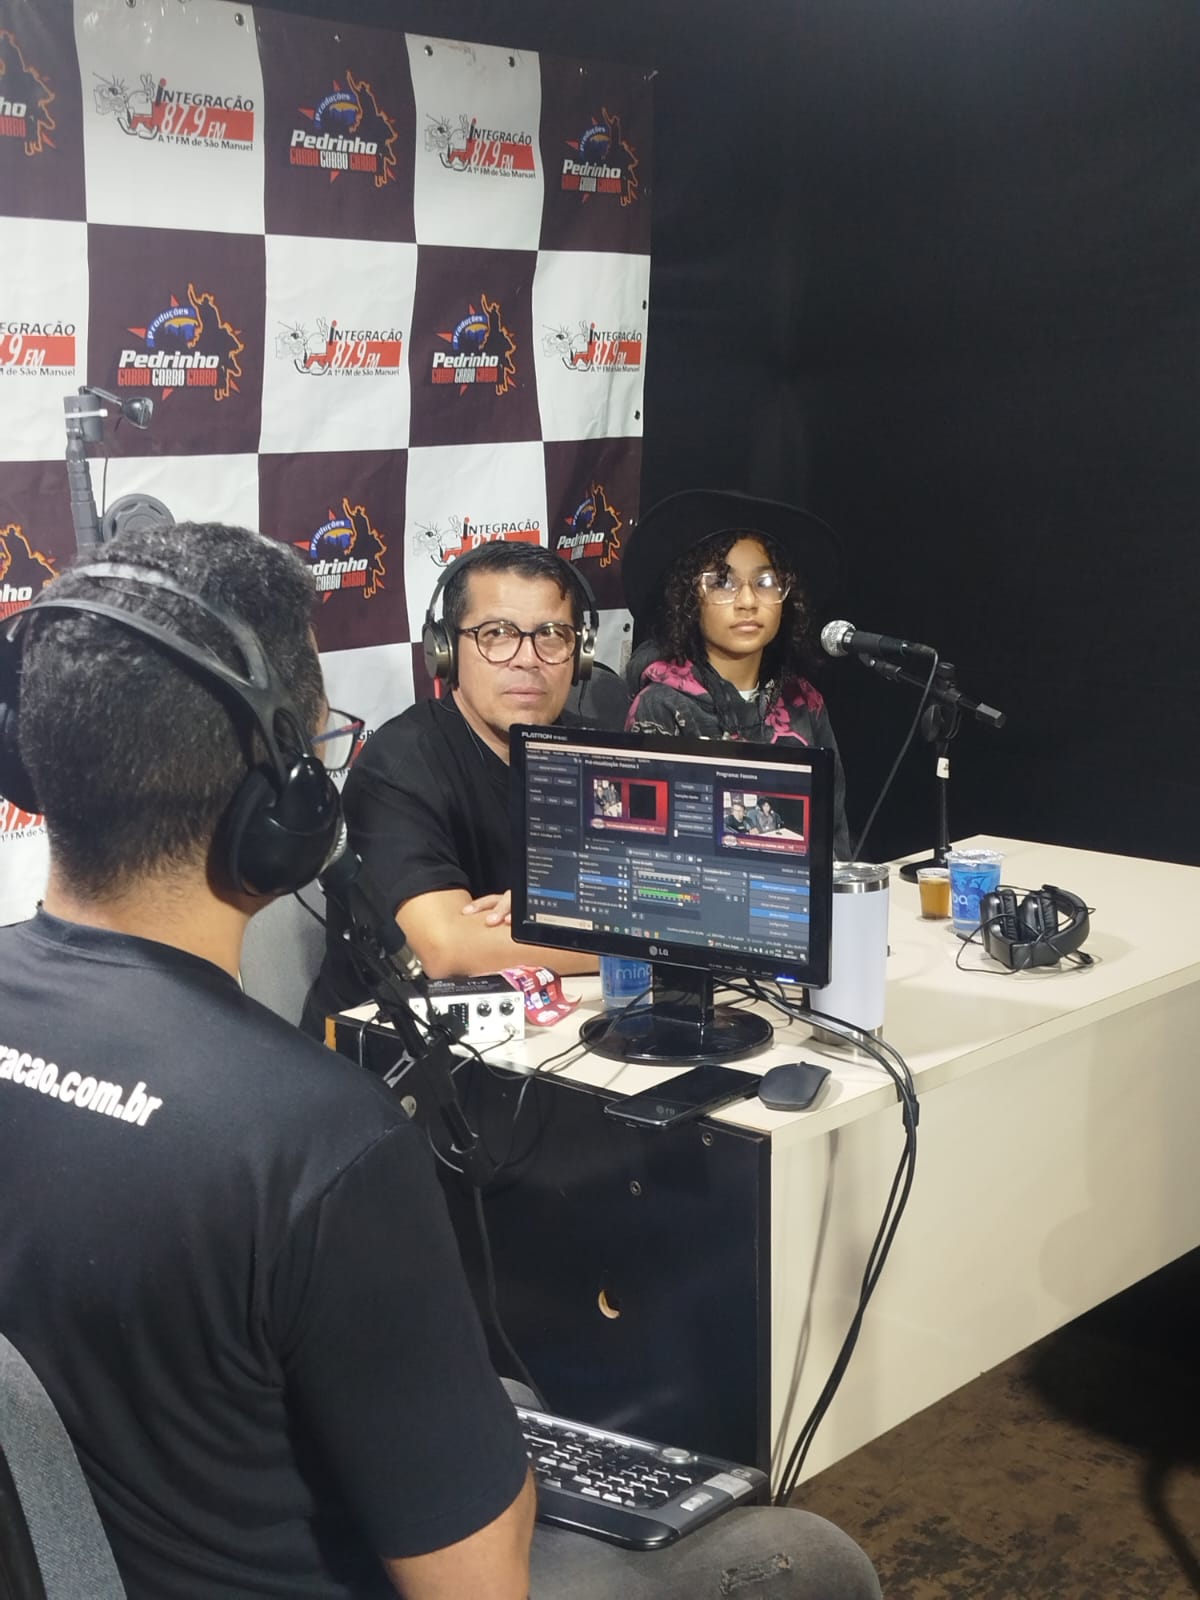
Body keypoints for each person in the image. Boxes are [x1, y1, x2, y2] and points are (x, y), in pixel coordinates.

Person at [0, 522, 884, 1600]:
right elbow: (474, 1583)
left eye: (551, 637)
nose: (529, 659)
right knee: (810, 1559)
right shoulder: (320, 1139)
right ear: (286, 803)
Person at [304, 541, 600, 1032]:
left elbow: (681, 898)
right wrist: (613, 931)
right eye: (497, 634)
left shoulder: (592, 752)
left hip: (548, 1032)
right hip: (390, 1050)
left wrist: (547, 917)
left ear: (580, 653)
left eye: (552, 635)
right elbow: (446, 949)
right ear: (445, 652)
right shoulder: (398, 765)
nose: (528, 658)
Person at [621, 489, 852, 858]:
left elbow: (833, 835)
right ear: (688, 598)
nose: (747, 601)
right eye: (722, 582)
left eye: (765, 582)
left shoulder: (804, 701)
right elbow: (650, 846)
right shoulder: (660, 707)